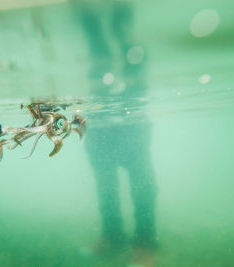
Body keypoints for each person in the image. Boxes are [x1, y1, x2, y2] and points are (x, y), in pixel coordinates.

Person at [71, 1, 157, 266]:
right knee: (106, 187)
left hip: (127, 127)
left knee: (142, 186)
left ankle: (144, 244)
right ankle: (113, 237)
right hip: (101, 126)